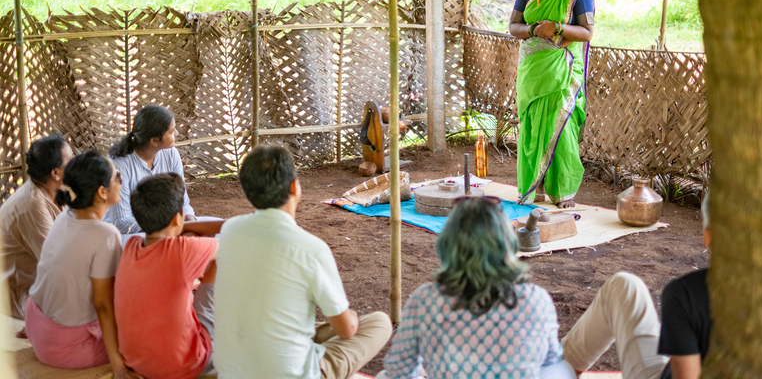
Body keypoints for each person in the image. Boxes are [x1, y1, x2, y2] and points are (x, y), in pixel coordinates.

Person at [214, 145, 392, 379]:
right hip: (292, 374)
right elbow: (347, 331)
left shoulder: (229, 231)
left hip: (230, 371)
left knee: (295, 322)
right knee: (379, 322)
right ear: (293, 186)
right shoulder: (311, 249)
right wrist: (350, 318)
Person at [377, 196, 575, 379]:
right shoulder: (536, 300)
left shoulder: (425, 300)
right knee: (560, 370)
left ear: (448, 243)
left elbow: (398, 371)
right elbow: (551, 363)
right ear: (507, 242)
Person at [561, 194, 712, 379]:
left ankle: (552, 373)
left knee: (621, 287)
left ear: (708, 237)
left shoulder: (688, 293)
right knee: (625, 287)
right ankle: (557, 370)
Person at [24, 151, 138, 378]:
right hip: (62, 347)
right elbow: (103, 305)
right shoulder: (105, 234)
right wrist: (119, 367)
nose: (121, 179)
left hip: (36, 322)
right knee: (145, 338)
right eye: (118, 176)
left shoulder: (65, 216)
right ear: (102, 192)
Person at [508, 0, 595, 208]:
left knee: (561, 125)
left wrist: (557, 27)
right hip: (532, 70)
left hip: (561, 69)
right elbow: (513, 27)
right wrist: (534, 28)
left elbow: (587, 32)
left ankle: (563, 191)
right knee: (532, 128)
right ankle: (536, 187)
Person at [114, 172, 223, 379]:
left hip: (135, 360)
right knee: (219, 260)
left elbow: (177, 234)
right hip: (186, 365)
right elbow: (230, 240)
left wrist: (182, 228)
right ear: (177, 217)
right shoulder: (182, 250)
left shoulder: (131, 246)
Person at [0, 135, 73, 320]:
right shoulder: (32, 204)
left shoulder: (56, 191)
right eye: (70, 160)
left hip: (42, 280)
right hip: (20, 291)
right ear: (55, 173)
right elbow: (57, 264)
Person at [105, 105, 197, 242]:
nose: (176, 133)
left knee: (214, 232)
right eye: (171, 132)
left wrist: (191, 227)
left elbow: (182, 201)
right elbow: (122, 222)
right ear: (154, 141)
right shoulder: (119, 166)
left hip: (169, 227)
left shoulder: (171, 154)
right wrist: (167, 231)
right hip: (128, 234)